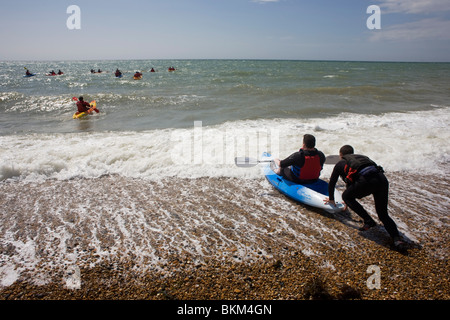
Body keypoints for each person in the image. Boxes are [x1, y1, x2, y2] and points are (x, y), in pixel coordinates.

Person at [324, 145, 406, 250]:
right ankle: (397, 239)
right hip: (382, 179)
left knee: (346, 196)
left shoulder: (341, 163)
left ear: (341, 155)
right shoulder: (361, 159)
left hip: (366, 182)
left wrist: (332, 199)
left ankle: (368, 220)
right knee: (383, 214)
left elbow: (332, 183)